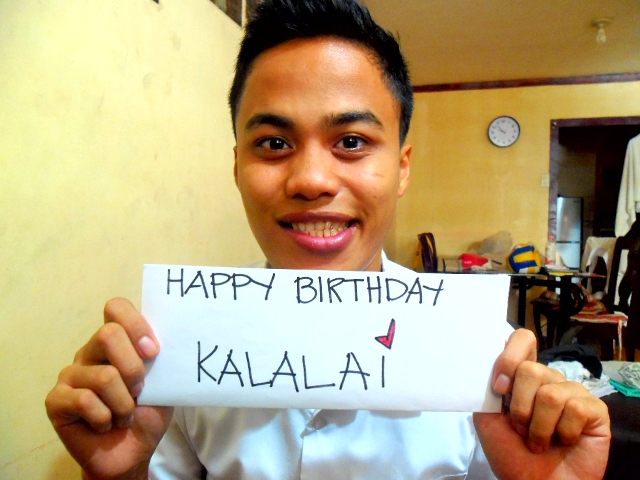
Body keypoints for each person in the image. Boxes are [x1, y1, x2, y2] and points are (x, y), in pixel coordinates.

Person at [45, 1, 611, 478]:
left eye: (352, 141)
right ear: (237, 167)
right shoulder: (178, 349)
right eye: (274, 144)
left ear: (402, 168)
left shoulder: (488, 358)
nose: (312, 180)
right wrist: (124, 474)